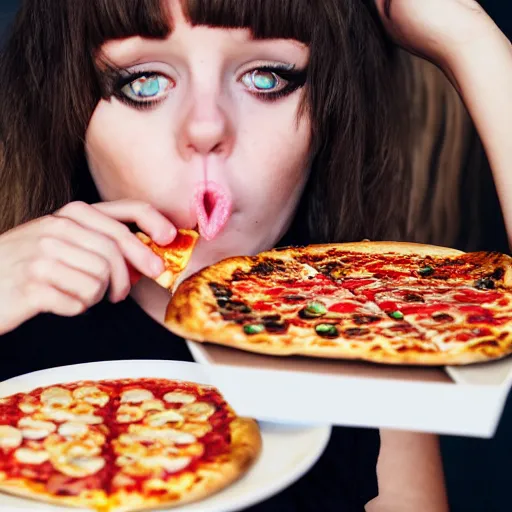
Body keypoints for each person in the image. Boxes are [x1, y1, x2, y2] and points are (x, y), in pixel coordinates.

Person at [0, 0, 510, 510]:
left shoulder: (369, 341)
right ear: (66, 108)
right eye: (144, 83)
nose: (206, 127)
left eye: (267, 78)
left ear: (328, 115)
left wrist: (471, 42)